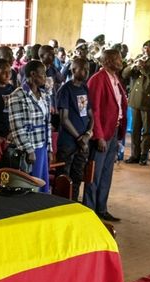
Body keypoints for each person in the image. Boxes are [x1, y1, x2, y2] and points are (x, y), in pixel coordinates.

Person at [84, 49, 127, 222]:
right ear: (108, 61)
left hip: (113, 131)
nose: (121, 61)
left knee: (107, 173)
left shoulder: (115, 78)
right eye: (117, 58)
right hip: (102, 133)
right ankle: (90, 210)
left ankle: (101, 207)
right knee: (95, 173)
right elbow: (94, 110)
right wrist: (99, 135)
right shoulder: (98, 80)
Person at [7, 60, 53, 192]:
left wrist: (49, 148)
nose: (45, 77)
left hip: (42, 147)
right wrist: (29, 150)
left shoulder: (44, 95)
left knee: (42, 184)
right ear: (33, 74)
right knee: (30, 186)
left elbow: (47, 123)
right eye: (43, 74)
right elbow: (17, 127)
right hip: (29, 149)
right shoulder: (18, 95)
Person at [122, 40, 150, 165]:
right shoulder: (139, 58)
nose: (146, 50)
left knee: (146, 130)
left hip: (148, 99)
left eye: (149, 48)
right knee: (135, 129)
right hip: (135, 99)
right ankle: (134, 155)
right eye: (144, 47)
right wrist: (132, 66)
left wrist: (144, 67)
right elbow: (125, 74)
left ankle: (143, 155)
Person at [56, 57, 93, 201]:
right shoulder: (65, 89)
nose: (85, 72)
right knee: (64, 178)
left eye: (87, 70)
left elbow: (90, 115)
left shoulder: (84, 88)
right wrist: (79, 138)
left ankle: (73, 203)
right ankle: (60, 205)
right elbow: (64, 119)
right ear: (73, 70)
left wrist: (88, 134)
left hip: (83, 141)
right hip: (69, 142)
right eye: (82, 69)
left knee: (78, 176)